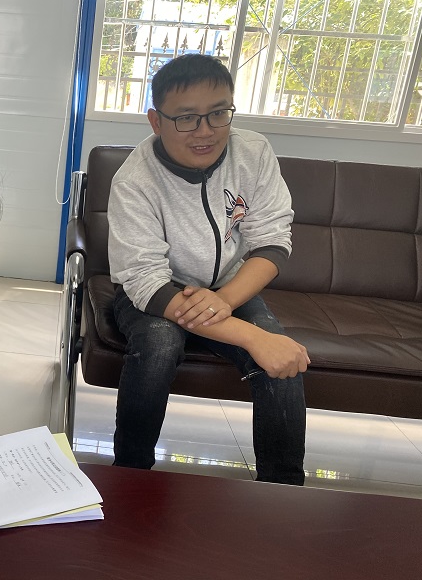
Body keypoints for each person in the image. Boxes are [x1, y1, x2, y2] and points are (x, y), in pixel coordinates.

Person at [108, 55, 308, 485]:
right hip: (155, 293)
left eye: (218, 113)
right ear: (156, 121)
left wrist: (226, 301)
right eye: (186, 118)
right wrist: (251, 336)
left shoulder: (253, 152)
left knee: (280, 358)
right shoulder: (134, 181)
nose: (205, 131)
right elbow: (144, 279)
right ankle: (130, 478)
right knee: (160, 343)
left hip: (229, 287)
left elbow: (272, 240)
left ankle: (284, 493)